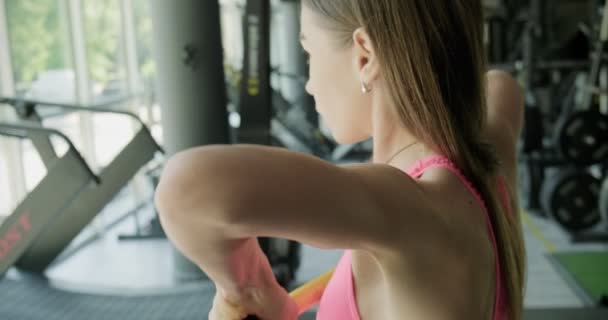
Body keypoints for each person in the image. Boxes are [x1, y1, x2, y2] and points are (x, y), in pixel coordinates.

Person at [154, 0, 527, 319]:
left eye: (309, 52)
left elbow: (186, 190)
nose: (309, 83)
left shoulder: (411, 213)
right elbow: (501, 85)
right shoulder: (489, 157)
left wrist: (248, 289)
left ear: (364, 55)